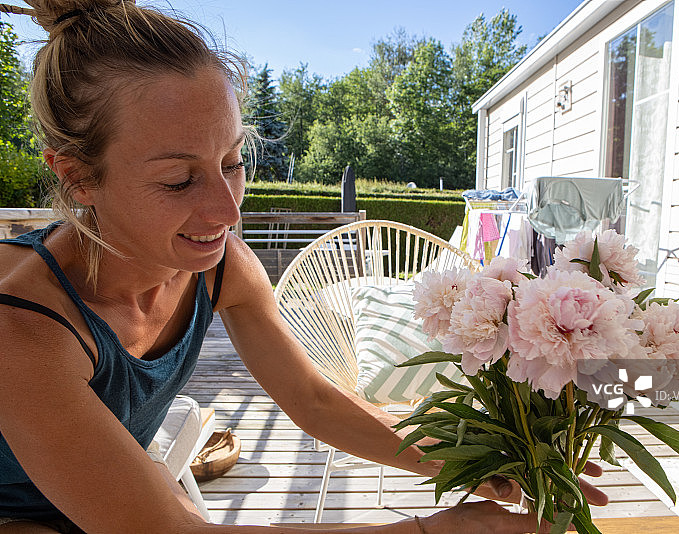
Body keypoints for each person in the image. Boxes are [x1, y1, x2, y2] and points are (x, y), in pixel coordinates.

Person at [0, 2, 607, 533]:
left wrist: (483, 459)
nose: (227, 209)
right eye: (179, 179)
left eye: (232, 162)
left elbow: (315, 401)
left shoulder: (219, 269)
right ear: (76, 176)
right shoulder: (23, 328)